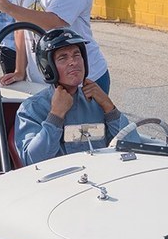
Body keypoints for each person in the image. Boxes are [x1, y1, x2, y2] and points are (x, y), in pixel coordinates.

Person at [14, 28, 128, 165]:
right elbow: (31, 161)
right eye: (63, 58)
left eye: (77, 55)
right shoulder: (32, 109)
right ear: (48, 67)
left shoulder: (96, 102)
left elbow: (132, 147)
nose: (73, 62)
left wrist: (109, 107)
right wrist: (55, 116)